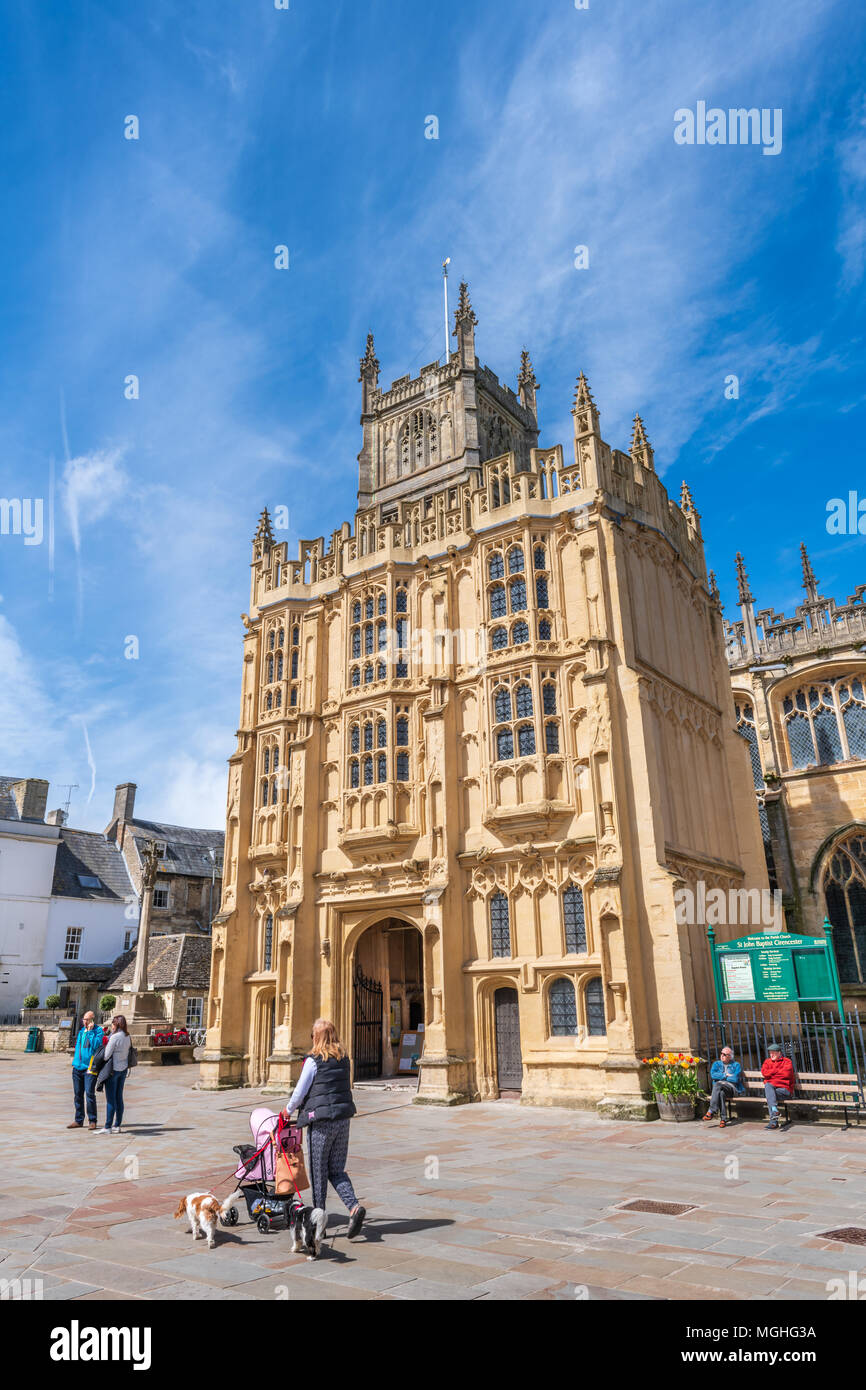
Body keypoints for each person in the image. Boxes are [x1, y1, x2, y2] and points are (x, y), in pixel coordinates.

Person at [282, 1018, 366, 1239]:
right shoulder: (343, 1058)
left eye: (312, 1034)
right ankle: (354, 1207)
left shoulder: (313, 1061)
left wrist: (287, 1110)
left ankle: (319, 1225)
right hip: (342, 1120)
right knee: (336, 1170)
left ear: (317, 1037)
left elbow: (300, 1092)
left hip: (320, 1123)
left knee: (318, 1173)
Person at [96, 1014, 132, 1135]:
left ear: (116, 1024)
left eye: (113, 1023)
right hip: (123, 1069)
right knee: (119, 1097)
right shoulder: (127, 1036)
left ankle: (107, 1127)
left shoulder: (115, 1037)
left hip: (113, 1070)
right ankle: (117, 1125)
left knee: (110, 1099)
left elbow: (106, 1055)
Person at [69, 1010, 103, 1129]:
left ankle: (92, 1120)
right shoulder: (81, 1032)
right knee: (78, 1095)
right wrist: (75, 1062)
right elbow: (78, 1047)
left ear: (92, 1020)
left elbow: (96, 1045)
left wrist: (90, 1032)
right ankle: (78, 1120)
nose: (84, 1021)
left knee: (89, 1094)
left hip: (90, 1068)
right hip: (78, 1068)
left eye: (87, 1019)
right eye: (84, 1019)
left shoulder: (98, 1031)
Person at [702, 1046, 744, 1127]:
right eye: (721, 1053)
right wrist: (725, 1075)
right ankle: (723, 1119)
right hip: (720, 1089)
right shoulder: (716, 1064)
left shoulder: (736, 1065)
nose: (722, 1055)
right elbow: (713, 1075)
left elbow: (735, 1079)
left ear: (730, 1056)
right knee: (721, 1093)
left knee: (717, 1084)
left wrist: (721, 1077)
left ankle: (711, 1111)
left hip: (732, 1089)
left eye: (724, 1054)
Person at [761, 1042, 795, 1130]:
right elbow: (765, 1073)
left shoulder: (787, 1061)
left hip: (785, 1090)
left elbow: (786, 1074)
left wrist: (772, 1074)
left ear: (779, 1053)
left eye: (773, 1052)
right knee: (769, 1090)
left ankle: (773, 1122)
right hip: (773, 1090)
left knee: (768, 1088)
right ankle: (774, 1111)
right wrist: (777, 1072)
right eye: (770, 1053)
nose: (771, 1054)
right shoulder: (767, 1062)